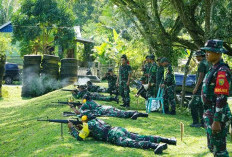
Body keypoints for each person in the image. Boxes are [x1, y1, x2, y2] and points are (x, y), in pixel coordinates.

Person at [68, 115, 177, 154]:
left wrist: (72, 128)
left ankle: (154, 146)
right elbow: (96, 132)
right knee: (140, 136)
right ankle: (167, 139)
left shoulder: (87, 126)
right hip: (118, 129)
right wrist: (82, 128)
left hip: (113, 136)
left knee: (132, 143)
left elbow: (79, 138)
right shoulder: (97, 120)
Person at [200, 39, 231, 157]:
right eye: (206, 51)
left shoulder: (222, 71)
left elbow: (221, 97)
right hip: (210, 112)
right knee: (213, 147)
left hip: (218, 113)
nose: (206, 54)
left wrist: (217, 121)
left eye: (209, 51)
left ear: (218, 53)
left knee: (220, 150)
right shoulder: (213, 69)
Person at [69, 93, 148, 120]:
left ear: (85, 99)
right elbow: (84, 109)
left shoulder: (85, 104)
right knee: (121, 112)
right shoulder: (92, 101)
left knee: (122, 114)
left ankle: (136, 113)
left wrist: (72, 106)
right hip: (106, 108)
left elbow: (78, 112)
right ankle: (140, 113)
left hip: (105, 111)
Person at [189, 50, 210, 128]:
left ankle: (196, 122)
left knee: (192, 105)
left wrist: (196, 87)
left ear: (201, 56)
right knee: (201, 106)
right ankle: (202, 122)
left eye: (197, 56)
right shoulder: (207, 63)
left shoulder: (202, 64)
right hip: (205, 87)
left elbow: (201, 76)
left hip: (200, 87)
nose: (197, 58)